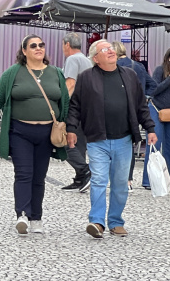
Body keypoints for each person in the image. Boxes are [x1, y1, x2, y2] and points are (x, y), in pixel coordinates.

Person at [0, 35, 69, 235]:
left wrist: (70, 130)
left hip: (47, 133)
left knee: (39, 177)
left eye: (41, 45)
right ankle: (22, 214)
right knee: (23, 174)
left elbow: (66, 104)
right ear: (25, 51)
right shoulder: (13, 73)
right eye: (33, 46)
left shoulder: (56, 73)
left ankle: (36, 217)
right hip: (20, 132)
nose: (39, 48)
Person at [67, 40, 157, 238]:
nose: (111, 51)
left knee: (120, 183)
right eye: (105, 50)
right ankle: (97, 222)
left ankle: (115, 221)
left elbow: (141, 105)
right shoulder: (86, 77)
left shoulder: (130, 75)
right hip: (97, 138)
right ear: (96, 58)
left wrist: (150, 127)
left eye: (111, 48)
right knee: (99, 180)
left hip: (123, 139)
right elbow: (75, 106)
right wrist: (71, 129)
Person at [114, 41, 156, 189]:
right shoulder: (138, 66)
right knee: (129, 144)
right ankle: (128, 180)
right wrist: (145, 97)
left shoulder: (115, 66)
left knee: (114, 143)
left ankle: (116, 178)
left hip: (118, 109)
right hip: (137, 110)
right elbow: (153, 85)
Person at [143, 46, 170, 191]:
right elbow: (154, 90)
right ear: (169, 57)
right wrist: (169, 79)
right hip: (156, 109)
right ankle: (148, 181)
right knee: (154, 144)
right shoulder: (160, 70)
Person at [60, 32, 92, 191]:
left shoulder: (72, 59)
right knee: (79, 144)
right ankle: (80, 179)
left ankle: (85, 170)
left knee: (66, 143)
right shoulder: (87, 60)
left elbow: (70, 84)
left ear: (67, 45)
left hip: (75, 108)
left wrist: (62, 105)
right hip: (87, 108)